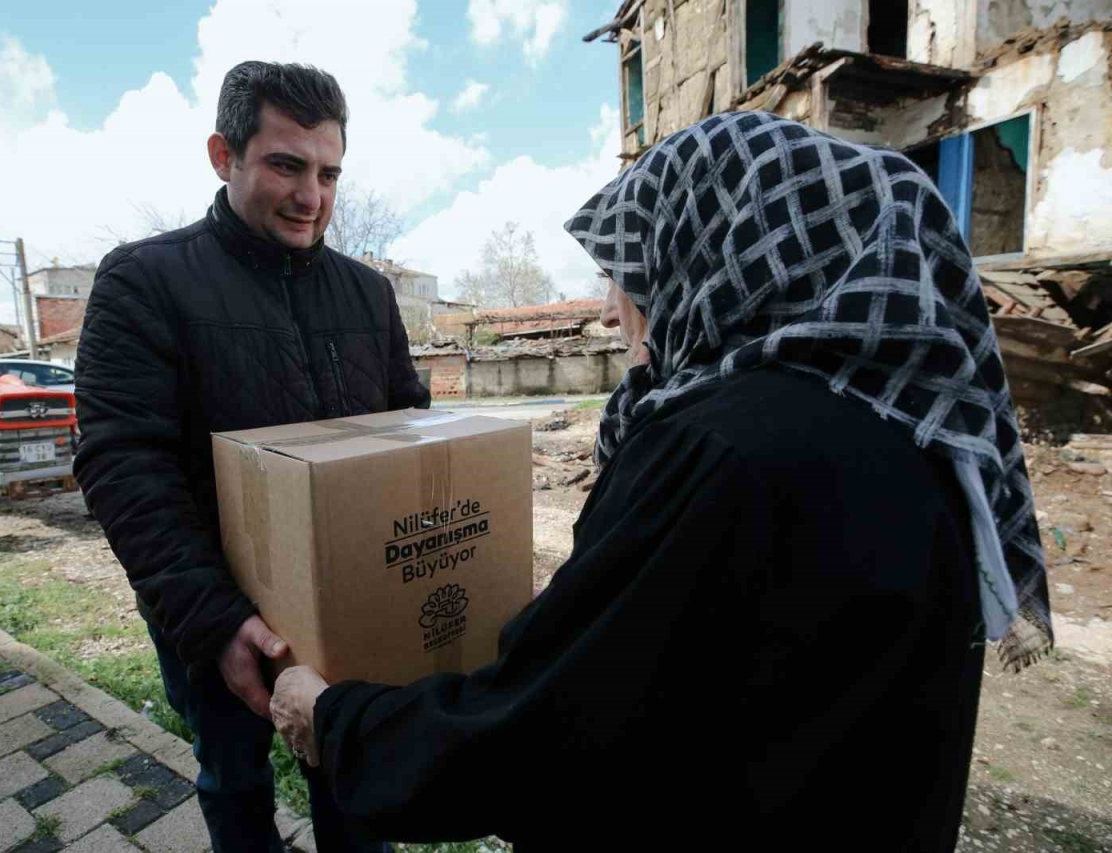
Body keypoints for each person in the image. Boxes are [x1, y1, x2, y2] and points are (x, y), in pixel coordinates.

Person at [269, 111, 1053, 851]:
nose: (612, 311)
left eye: (630, 270)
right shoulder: (929, 440)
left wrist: (334, 720)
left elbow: (548, 729)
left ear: (723, 252)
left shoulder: (718, 449)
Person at [74, 60, 427, 852]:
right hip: (213, 616)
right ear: (222, 154)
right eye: (286, 165)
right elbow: (121, 459)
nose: (313, 196)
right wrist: (214, 619)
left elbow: (406, 432)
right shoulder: (144, 280)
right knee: (234, 782)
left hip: (342, 610)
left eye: (329, 172)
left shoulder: (367, 294)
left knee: (351, 782)